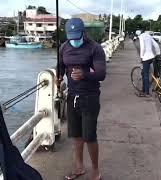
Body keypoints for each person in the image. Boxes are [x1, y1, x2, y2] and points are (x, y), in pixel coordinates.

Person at [58, 18, 106, 180]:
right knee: (76, 135)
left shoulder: (95, 48)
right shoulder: (63, 47)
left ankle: (95, 171)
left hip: (90, 96)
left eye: (77, 36)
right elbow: (61, 66)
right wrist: (58, 77)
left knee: (89, 136)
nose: (74, 40)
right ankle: (79, 168)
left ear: (83, 32)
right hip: (72, 96)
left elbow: (101, 74)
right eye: (71, 36)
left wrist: (84, 74)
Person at [137, 28, 161, 97]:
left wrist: (141, 57)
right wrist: (157, 54)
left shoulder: (141, 37)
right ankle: (143, 89)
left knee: (145, 75)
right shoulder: (149, 36)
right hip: (152, 57)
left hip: (146, 58)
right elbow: (156, 45)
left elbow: (143, 47)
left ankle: (146, 93)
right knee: (144, 73)